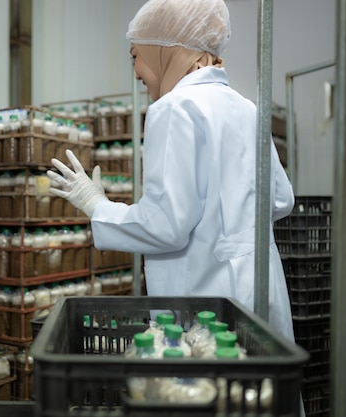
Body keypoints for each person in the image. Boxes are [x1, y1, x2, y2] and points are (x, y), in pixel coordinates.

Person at [47, 0, 296, 344]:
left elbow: (165, 226)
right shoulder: (247, 107)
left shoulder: (174, 108)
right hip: (262, 293)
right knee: (262, 391)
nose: (135, 71)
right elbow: (281, 200)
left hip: (207, 304)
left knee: (207, 390)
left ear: (166, 51)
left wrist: (95, 204)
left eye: (136, 54)